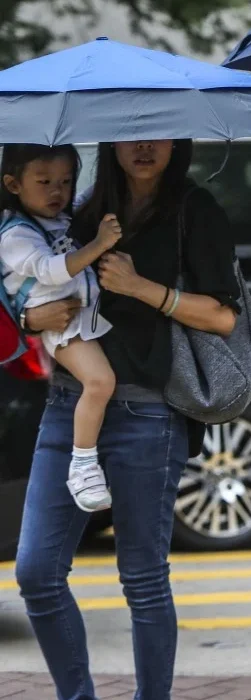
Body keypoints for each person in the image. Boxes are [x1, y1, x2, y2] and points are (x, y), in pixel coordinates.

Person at [15, 139, 241, 700]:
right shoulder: (83, 207)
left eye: (158, 132)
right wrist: (27, 314)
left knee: (142, 580)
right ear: (111, 142)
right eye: (131, 134)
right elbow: (31, 277)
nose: (144, 146)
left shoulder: (195, 209)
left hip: (148, 412)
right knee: (37, 573)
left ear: (178, 141)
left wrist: (142, 289)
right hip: (69, 405)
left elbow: (223, 317)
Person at [0, 143, 122, 512]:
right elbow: (52, 270)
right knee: (100, 382)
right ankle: (83, 466)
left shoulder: (58, 219)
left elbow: (86, 200)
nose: (58, 191)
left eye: (66, 181)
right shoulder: (15, 234)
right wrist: (100, 244)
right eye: (45, 181)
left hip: (79, 316)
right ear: (13, 184)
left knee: (104, 384)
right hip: (59, 325)